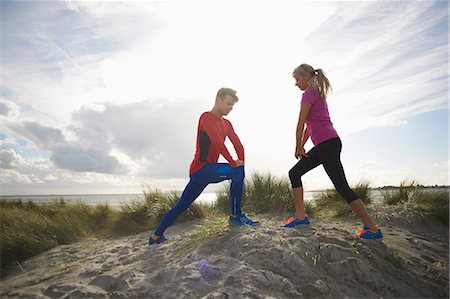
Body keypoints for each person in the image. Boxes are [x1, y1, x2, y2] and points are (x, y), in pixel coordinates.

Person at [284, 63, 382, 239]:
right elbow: (309, 127)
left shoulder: (309, 93)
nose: (296, 83)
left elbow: (300, 123)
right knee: (295, 173)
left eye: (298, 79)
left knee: (342, 186)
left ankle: (372, 228)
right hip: (326, 144)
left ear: (306, 76)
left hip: (327, 144)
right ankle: (300, 216)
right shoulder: (318, 94)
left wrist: (298, 146)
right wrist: (302, 144)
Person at [149, 88, 259, 246]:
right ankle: (236, 216)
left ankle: (155, 237)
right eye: (228, 103)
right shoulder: (206, 117)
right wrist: (233, 163)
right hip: (200, 169)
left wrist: (240, 161)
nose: (230, 108)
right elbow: (216, 142)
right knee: (236, 171)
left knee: (181, 205)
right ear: (218, 100)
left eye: (232, 106)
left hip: (208, 171)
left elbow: (238, 145)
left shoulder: (226, 124)